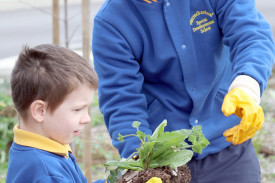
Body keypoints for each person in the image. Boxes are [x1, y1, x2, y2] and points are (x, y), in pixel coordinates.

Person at [92, 0, 275, 182]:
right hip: (165, 161)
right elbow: (122, 103)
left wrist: (247, 86)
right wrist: (144, 165)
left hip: (228, 146)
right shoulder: (111, 22)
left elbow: (252, 36)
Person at [6, 44, 99, 183]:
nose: (87, 119)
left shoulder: (42, 148)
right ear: (40, 111)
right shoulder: (47, 174)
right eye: (78, 109)